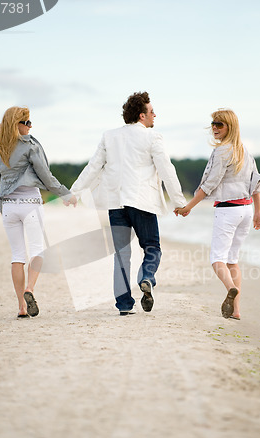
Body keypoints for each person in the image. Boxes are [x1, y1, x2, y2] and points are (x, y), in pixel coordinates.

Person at [70, 91, 187, 315]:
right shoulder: (153, 137)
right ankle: (147, 277)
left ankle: (124, 305)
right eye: (152, 112)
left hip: (116, 204)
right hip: (142, 202)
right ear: (142, 116)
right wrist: (179, 202)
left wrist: (74, 191)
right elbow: (166, 170)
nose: (155, 115)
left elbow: (93, 166)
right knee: (152, 248)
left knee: (121, 254)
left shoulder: (109, 136)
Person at [175, 109, 260, 320]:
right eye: (213, 124)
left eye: (219, 124)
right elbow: (256, 185)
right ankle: (236, 311)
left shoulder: (222, 151)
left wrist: (188, 207)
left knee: (217, 260)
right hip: (246, 209)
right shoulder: (245, 152)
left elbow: (209, 184)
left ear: (229, 127)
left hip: (228, 210)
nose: (214, 128)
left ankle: (231, 288)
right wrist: (258, 213)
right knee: (233, 260)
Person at [0, 106, 77, 319]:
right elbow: (46, 176)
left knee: (17, 256)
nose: (30, 126)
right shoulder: (30, 146)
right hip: (30, 203)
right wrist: (66, 194)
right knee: (37, 251)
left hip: (9, 207)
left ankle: (21, 307)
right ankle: (30, 288)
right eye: (27, 122)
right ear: (16, 124)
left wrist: (4, 209)